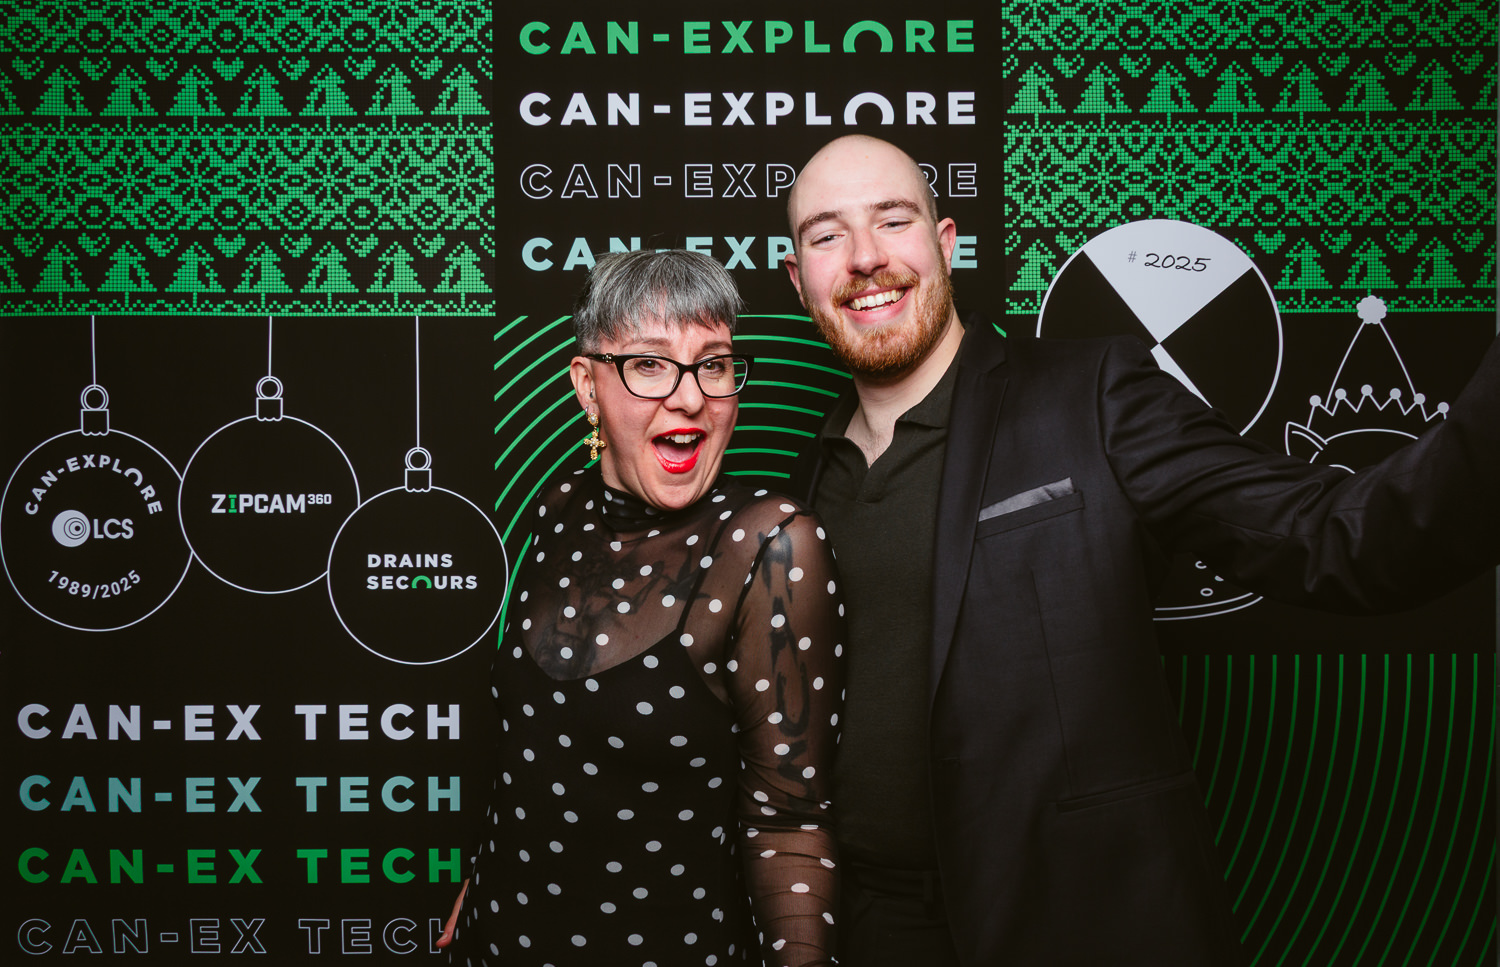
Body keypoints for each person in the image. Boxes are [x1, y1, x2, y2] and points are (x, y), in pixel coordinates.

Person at [780, 134, 1500, 966]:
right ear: (799, 279)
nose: (865, 257)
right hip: (873, 933)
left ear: (945, 244)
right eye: (827, 234)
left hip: (1082, 926)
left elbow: (1344, 537)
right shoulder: (805, 482)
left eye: (893, 220)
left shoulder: (1093, 394)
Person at [439, 249, 845, 966]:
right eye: (650, 364)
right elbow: (526, 750)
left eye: (713, 364)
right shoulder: (557, 507)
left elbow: (789, 822)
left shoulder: (771, 544)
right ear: (586, 386)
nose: (690, 397)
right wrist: (483, 876)